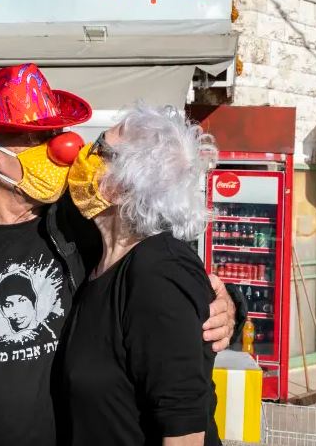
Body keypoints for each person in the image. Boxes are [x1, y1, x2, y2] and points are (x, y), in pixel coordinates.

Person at [0, 63, 242, 446]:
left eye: (55, 131)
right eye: (36, 139)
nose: (61, 148)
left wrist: (228, 306)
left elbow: (164, 285)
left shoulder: (84, 228)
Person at [57, 103, 221, 446]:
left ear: (120, 185)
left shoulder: (157, 272)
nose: (82, 154)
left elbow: (184, 432)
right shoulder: (101, 260)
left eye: (99, 148)